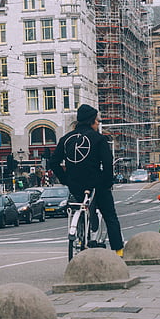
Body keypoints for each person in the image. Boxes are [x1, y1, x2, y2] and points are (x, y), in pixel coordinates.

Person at [49, 103, 124, 256]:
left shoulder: (66, 139)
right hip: (97, 185)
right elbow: (107, 163)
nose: (98, 123)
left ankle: (82, 238)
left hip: (75, 184)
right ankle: (118, 251)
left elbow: (53, 162)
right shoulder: (98, 139)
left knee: (81, 208)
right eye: (97, 121)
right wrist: (107, 182)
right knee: (110, 216)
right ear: (91, 121)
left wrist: (65, 179)